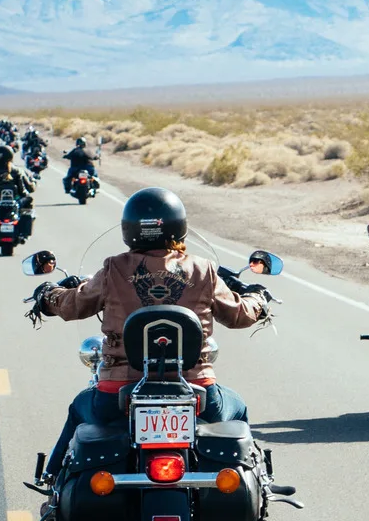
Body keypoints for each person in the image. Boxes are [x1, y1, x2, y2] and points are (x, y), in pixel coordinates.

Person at [30, 187, 267, 485]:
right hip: (196, 389)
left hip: (118, 390)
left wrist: (48, 294)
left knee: (79, 408)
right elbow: (240, 315)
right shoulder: (204, 269)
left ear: (130, 229)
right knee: (238, 407)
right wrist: (259, 298)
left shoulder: (114, 268)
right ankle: (257, 481)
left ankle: (50, 479)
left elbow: (71, 305)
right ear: (179, 226)